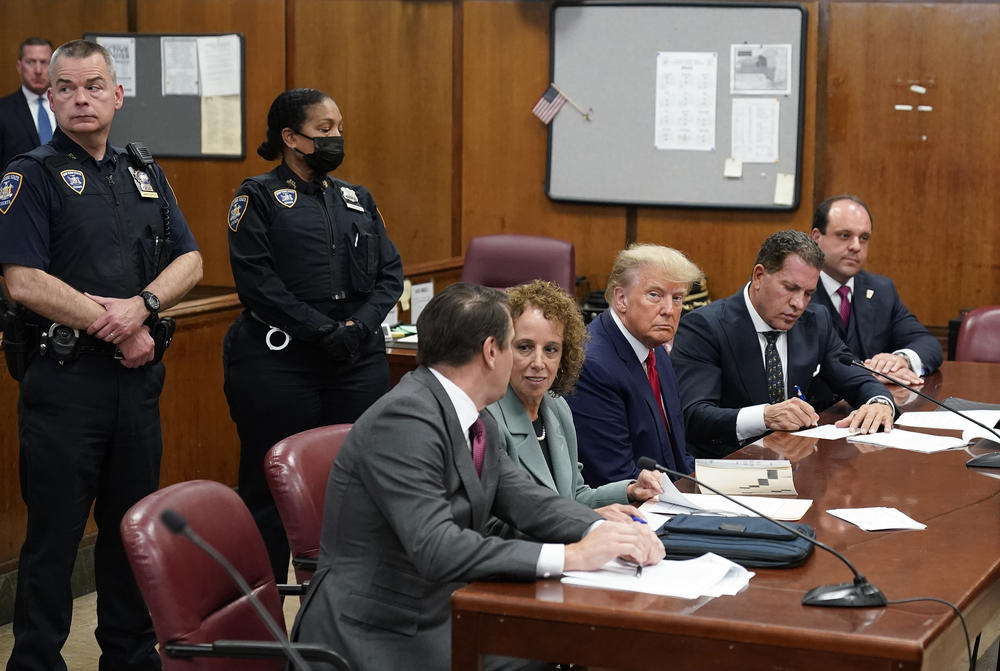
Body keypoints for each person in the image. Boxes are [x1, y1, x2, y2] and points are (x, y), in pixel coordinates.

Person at [291, 283, 664, 671]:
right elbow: (438, 547)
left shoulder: (473, 416)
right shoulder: (404, 419)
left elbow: (523, 497)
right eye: (515, 346)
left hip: (444, 604)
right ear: (491, 351)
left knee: (579, 641)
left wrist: (600, 531)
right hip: (382, 628)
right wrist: (571, 556)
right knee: (571, 646)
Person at [0, 39, 203, 671]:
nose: (80, 98)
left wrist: (142, 306)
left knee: (130, 534)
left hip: (136, 387)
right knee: (54, 543)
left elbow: (191, 261)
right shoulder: (28, 174)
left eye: (93, 86)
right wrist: (115, 324)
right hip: (64, 387)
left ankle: (130, 656)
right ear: (49, 95)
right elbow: (24, 281)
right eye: (66, 87)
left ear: (117, 96)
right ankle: (35, 662)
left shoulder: (143, 172)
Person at [223, 87, 403, 582]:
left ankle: (343, 614)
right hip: (281, 365)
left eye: (339, 128)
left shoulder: (356, 198)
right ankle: (262, 629)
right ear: (290, 138)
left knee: (355, 487)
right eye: (324, 130)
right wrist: (321, 330)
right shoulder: (256, 196)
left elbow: (390, 273)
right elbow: (257, 283)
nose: (336, 138)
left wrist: (357, 327)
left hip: (354, 361)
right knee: (271, 492)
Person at [670, 230, 894, 459]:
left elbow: (855, 376)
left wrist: (878, 403)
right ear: (758, 276)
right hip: (728, 466)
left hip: (797, 464)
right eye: (790, 288)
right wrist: (765, 416)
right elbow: (694, 416)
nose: (799, 304)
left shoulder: (815, 321)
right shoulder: (705, 327)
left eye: (808, 293)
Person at [485, 280, 664, 537]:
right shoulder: (487, 420)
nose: (539, 362)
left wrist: (630, 490)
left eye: (551, 350)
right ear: (500, 349)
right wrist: (584, 522)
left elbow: (573, 496)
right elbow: (490, 526)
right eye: (524, 347)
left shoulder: (557, 408)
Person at [566, 244, 702, 486]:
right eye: (655, 295)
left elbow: (677, 455)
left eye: (677, 298)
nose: (669, 310)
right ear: (621, 299)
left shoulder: (655, 349)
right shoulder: (593, 365)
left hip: (671, 494)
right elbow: (613, 475)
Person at [809, 194, 942, 387]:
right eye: (844, 235)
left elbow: (928, 344)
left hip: (877, 407)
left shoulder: (881, 290)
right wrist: (867, 374)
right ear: (816, 237)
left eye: (864, 238)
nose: (856, 246)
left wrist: (900, 361)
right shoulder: (796, 291)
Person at [0, 37, 54, 169]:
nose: (38, 70)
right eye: (31, 62)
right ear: (19, 66)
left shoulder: (68, 106)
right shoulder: (3, 110)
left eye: (44, 62)